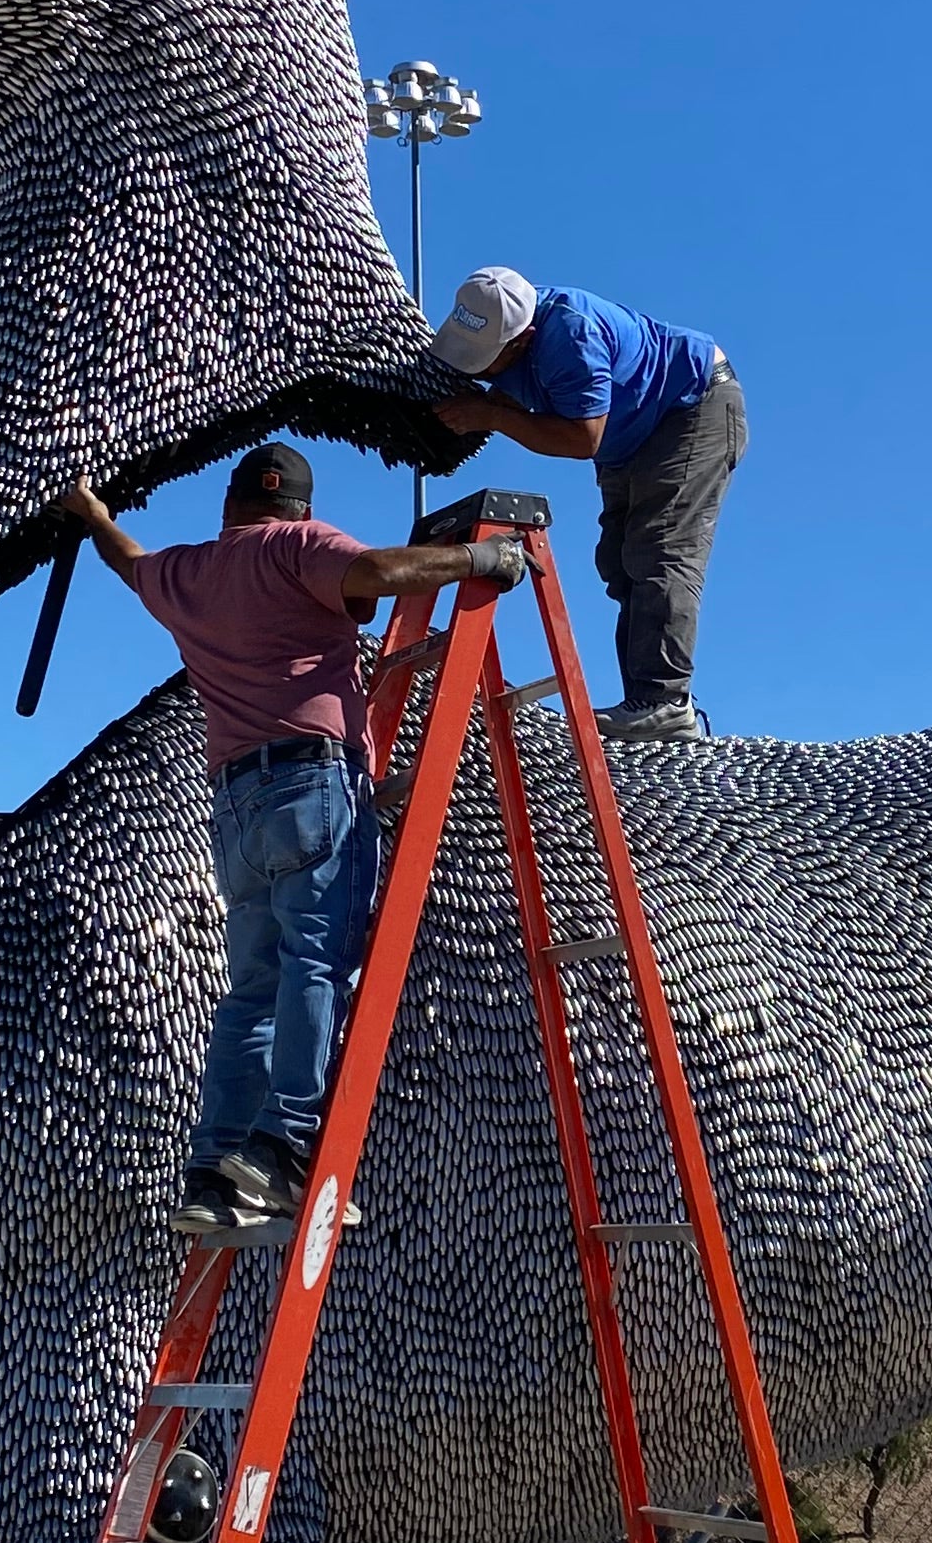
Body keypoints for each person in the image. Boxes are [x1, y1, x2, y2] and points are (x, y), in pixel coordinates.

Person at [62, 446, 526, 1235]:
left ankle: (214, 1170)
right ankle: (287, 1145)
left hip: (236, 805)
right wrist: (480, 558)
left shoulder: (186, 573)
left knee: (252, 990)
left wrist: (90, 514)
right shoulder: (298, 547)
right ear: (302, 512)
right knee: (318, 965)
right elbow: (377, 572)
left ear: (229, 505)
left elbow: (124, 557)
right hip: (313, 785)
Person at [428, 266, 745, 740]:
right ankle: (645, 699)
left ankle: (664, 701)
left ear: (522, 339)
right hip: (632, 432)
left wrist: (491, 416)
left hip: (689, 407)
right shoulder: (500, 319)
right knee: (619, 562)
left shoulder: (572, 338)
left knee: (659, 550)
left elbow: (582, 438)